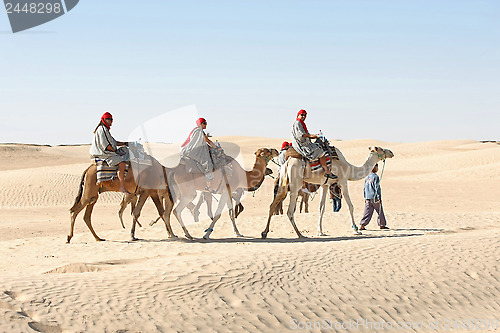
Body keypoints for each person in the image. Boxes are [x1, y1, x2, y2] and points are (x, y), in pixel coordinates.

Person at [90, 112, 130, 193]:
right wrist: (116, 152)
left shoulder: (105, 129)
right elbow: (106, 145)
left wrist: (125, 143)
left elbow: (114, 142)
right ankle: (122, 186)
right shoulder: (102, 129)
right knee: (122, 163)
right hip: (104, 154)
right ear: (104, 120)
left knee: (125, 151)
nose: (111, 121)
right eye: (109, 119)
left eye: (112, 119)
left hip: (106, 152)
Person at [291, 109, 337, 179]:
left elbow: (306, 135)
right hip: (302, 145)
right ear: (298, 115)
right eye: (302, 115)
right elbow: (302, 135)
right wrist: (314, 136)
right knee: (321, 153)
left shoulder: (301, 123)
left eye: (305, 115)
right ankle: (327, 172)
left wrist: (314, 135)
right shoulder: (297, 123)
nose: (303, 116)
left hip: (304, 143)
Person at [180, 117, 217, 189]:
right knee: (207, 163)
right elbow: (208, 141)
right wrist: (216, 148)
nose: (206, 125)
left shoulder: (195, 131)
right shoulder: (199, 132)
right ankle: (208, 184)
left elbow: (202, 143)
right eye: (204, 123)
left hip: (187, 150)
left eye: (206, 123)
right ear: (200, 124)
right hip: (191, 151)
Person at [359, 164, 389, 230]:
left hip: (368, 197)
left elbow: (364, 188)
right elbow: (377, 188)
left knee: (367, 212)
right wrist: (379, 197)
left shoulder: (367, 177)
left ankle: (362, 224)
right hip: (375, 197)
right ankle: (382, 224)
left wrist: (365, 197)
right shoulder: (375, 177)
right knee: (380, 211)